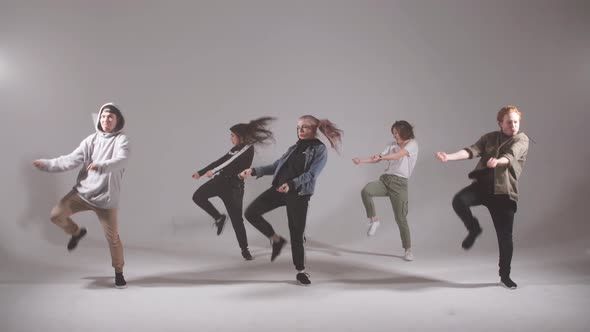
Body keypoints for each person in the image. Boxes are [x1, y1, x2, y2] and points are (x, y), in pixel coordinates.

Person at [33, 103, 130, 289]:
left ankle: (119, 273)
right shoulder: (91, 140)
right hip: (82, 193)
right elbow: (70, 159)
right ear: (99, 119)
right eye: (103, 116)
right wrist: (47, 164)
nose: (106, 120)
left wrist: (102, 166)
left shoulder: (122, 141)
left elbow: (122, 159)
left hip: (106, 200)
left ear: (117, 120)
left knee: (113, 238)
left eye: (110, 117)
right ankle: (77, 233)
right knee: (56, 215)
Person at [240, 115, 343, 286]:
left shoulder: (319, 150)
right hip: (279, 190)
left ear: (314, 129)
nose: (300, 131)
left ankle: (301, 271)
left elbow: (311, 175)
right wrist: (253, 171)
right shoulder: (293, 148)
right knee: (251, 212)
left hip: (298, 194)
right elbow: (275, 166)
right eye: (298, 127)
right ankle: (276, 239)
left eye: (305, 127)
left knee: (296, 233)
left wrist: (291, 184)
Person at [435, 105, 529, 289]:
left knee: (505, 237)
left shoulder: (522, 139)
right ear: (500, 123)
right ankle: (474, 228)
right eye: (509, 122)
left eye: (516, 122)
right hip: (483, 187)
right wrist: (448, 156)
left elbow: (511, 156)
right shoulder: (490, 137)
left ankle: (505, 276)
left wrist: (498, 161)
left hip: (503, 193)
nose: (513, 125)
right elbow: (471, 151)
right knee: (459, 201)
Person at [191, 117, 275, 260]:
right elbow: (222, 160)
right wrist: (201, 171)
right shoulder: (235, 149)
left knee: (237, 220)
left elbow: (229, 162)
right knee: (198, 196)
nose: (231, 138)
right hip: (220, 182)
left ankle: (245, 249)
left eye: (232, 135)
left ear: (240, 136)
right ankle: (218, 217)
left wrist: (214, 171)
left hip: (234, 189)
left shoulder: (247, 148)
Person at [352, 120, 419, 261]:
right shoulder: (391, 145)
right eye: (393, 133)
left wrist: (383, 157)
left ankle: (408, 250)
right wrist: (362, 160)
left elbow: (399, 155)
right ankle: (374, 220)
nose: (394, 136)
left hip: (400, 184)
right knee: (366, 191)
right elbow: (377, 158)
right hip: (386, 180)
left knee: (400, 218)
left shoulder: (412, 144)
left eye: (396, 133)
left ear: (404, 132)